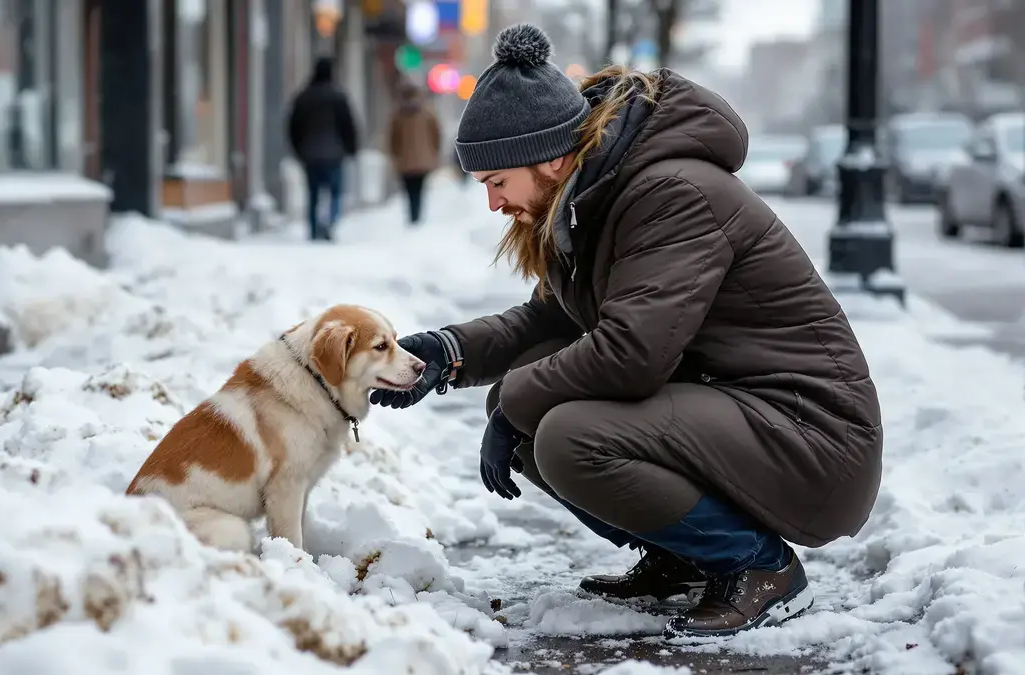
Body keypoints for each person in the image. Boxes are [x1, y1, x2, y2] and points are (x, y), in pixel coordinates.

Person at [369, 23, 883, 639]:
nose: (494, 205)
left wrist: (511, 401)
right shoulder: (594, 200)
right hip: (743, 414)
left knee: (565, 433)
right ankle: (686, 557)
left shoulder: (673, 194)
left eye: (497, 183)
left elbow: (632, 355)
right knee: (537, 417)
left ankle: (758, 568)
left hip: (812, 436)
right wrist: (449, 353)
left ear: (550, 156)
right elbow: (551, 319)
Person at [287, 57, 359, 241]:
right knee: (335, 192)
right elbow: (348, 125)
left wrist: (298, 149)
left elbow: (293, 126)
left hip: (309, 154)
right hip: (334, 153)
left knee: (313, 194)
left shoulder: (303, 97)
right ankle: (330, 223)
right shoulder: (338, 96)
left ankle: (313, 228)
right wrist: (351, 148)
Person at [387, 81, 443, 225]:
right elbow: (436, 134)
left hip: (404, 161)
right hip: (423, 160)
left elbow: (393, 138)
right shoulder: (427, 112)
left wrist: (394, 155)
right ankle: (417, 216)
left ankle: (412, 216)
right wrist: (434, 152)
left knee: (409, 189)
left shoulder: (397, 114)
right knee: (419, 189)